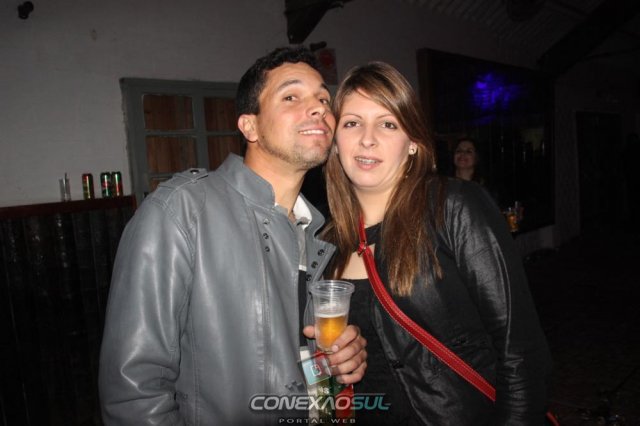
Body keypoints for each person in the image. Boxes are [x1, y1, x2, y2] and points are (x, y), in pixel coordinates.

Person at [98, 46, 367, 425]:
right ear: (249, 126)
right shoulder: (181, 211)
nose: (319, 109)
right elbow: (133, 392)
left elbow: (296, 360)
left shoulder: (316, 231)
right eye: (291, 97)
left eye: (324, 99)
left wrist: (336, 362)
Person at [322, 61, 551, 425]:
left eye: (387, 123)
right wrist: (328, 364)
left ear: (413, 143)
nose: (367, 138)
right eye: (352, 123)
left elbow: (520, 349)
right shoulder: (325, 243)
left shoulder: (453, 207)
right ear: (335, 142)